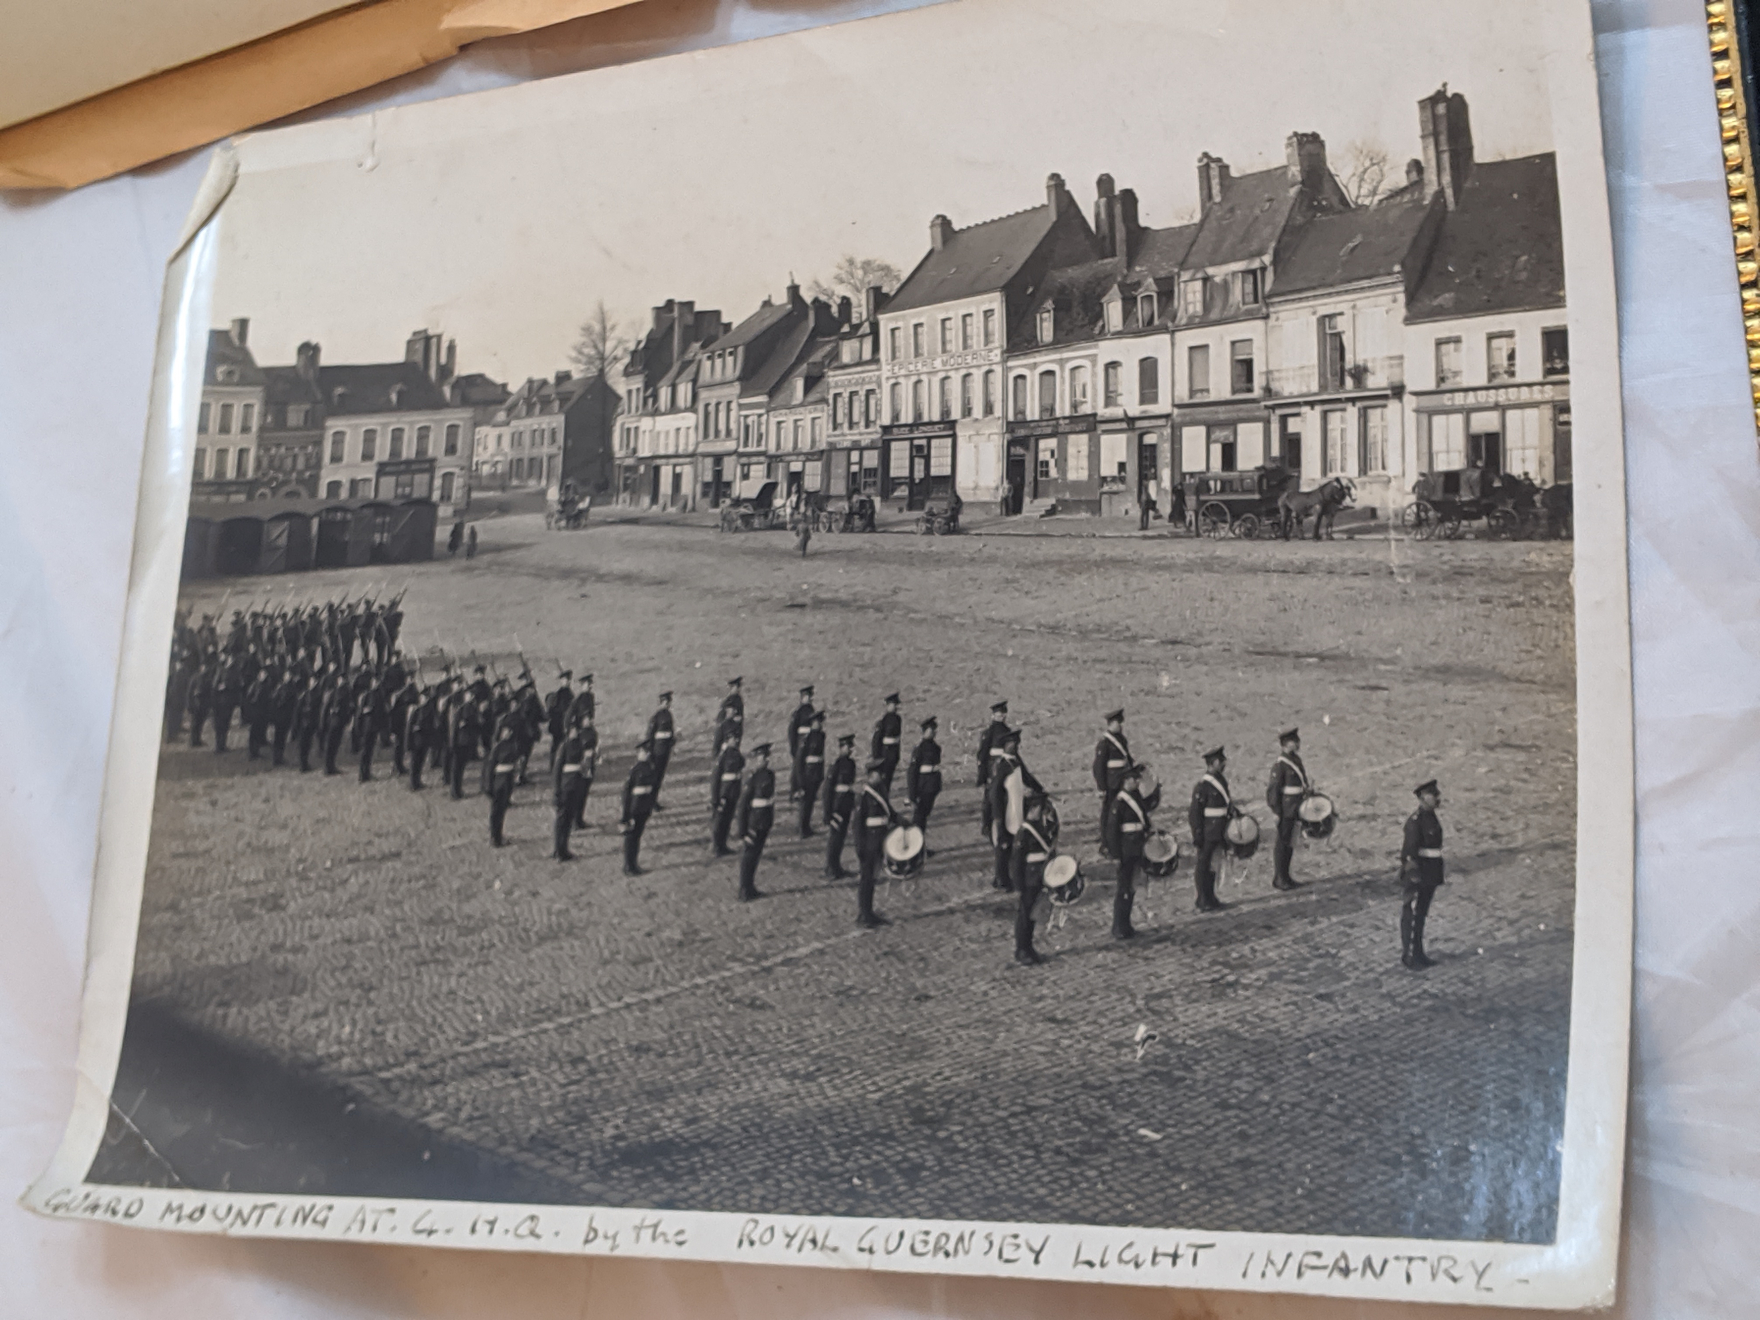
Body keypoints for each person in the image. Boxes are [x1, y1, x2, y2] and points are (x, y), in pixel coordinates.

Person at [1105, 762, 1161, 939]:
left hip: (1137, 847)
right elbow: (1112, 831)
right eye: (1134, 779)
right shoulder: (1119, 802)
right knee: (1124, 888)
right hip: (1126, 850)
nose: (1137, 782)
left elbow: (1146, 810)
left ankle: (1126, 924)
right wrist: (1115, 854)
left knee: (1131, 887)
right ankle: (1119, 926)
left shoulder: (1135, 797)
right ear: (1126, 781)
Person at [1400, 780, 1446, 969]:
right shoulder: (1415, 821)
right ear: (1421, 798)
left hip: (1431, 872)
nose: (1436, 798)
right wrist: (1413, 876)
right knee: (1413, 916)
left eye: (1436, 794)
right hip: (1418, 874)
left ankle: (1419, 953)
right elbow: (1409, 852)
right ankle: (1410, 956)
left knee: (1421, 915)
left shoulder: (1430, 816)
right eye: (1432, 795)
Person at [1010, 796, 1057, 965]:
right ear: (1030, 809)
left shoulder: (1039, 827)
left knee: (1032, 914)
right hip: (1029, 878)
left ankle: (1028, 947)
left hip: (1039, 876)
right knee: (1025, 915)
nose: (1040, 810)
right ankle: (1022, 949)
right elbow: (1016, 861)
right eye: (1038, 807)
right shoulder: (1024, 833)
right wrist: (1018, 884)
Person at [852, 762, 898, 928]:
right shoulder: (864, 796)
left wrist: (901, 821)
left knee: (872, 878)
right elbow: (857, 826)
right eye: (878, 773)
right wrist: (860, 848)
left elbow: (889, 812)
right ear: (871, 776)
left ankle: (868, 911)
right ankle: (864, 914)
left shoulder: (881, 790)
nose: (882, 776)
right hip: (869, 844)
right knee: (866, 879)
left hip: (880, 840)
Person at [1188, 746, 1233, 912]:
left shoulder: (1221, 781)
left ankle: (1211, 896)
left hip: (1220, 830)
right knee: (1203, 865)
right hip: (1208, 832)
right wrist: (1197, 835)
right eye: (1221, 761)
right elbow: (1195, 814)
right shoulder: (1202, 786)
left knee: (1214, 865)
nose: (1224, 764)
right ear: (1213, 763)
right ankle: (1202, 898)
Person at [1265, 727, 1310, 891]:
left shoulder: (1296, 760)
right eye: (1294, 741)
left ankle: (1286, 875)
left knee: (1290, 842)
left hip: (1296, 807)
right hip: (1285, 809)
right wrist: (1276, 811)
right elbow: (1273, 791)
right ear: (1286, 744)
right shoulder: (1280, 765)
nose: (1298, 744)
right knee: (1282, 843)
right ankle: (1279, 877)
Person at [736, 744, 777, 901]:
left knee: (756, 855)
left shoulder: (770, 775)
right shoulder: (752, 779)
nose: (765, 760)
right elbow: (742, 807)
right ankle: (744, 889)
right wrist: (743, 832)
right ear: (756, 760)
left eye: (767, 757)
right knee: (749, 856)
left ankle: (751, 886)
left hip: (764, 821)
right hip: (753, 822)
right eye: (762, 758)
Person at [1092, 708, 1132, 857]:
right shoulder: (1104, 744)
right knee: (1108, 814)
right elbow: (1098, 767)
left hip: (1122, 782)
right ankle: (1106, 844)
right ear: (1111, 723)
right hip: (1111, 784)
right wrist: (1102, 788)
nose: (1120, 725)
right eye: (1118, 723)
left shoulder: (1122, 740)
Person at [551, 715, 592, 861]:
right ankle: (558, 850)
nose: (575, 732)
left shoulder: (580, 744)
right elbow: (557, 771)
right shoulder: (564, 746)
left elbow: (584, 765)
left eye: (577, 729)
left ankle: (564, 848)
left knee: (568, 819)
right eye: (572, 730)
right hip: (565, 787)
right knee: (561, 819)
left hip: (576, 786)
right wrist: (556, 792)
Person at [822, 732, 858, 879]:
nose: (850, 749)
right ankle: (831, 868)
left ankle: (836, 867)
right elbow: (827, 791)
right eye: (847, 746)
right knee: (835, 838)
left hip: (846, 805)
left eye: (851, 746)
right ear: (841, 747)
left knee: (841, 837)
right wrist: (828, 813)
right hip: (837, 805)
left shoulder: (851, 763)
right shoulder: (835, 766)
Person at [620, 740, 658, 875]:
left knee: (637, 837)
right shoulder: (635, 770)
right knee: (631, 838)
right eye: (643, 752)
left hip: (643, 808)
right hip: (634, 809)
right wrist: (626, 816)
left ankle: (633, 863)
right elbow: (626, 795)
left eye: (647, 752)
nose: (645, 755)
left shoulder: (651, 767)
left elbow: (652, 790)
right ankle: (629, 866)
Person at [976, 700, 1009, 838]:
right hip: (992, 767)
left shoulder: (1007, 731)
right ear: (993, 716)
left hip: (1004, 765)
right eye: (997, 714)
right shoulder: (989, 733)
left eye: (1002, 714)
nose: (1000, 716)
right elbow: (982, 754)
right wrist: (982, 774)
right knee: (989, 797)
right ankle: (986, 824)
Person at [484, 721, 520, 846]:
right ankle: (494, 837)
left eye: (509, 732)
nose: (508, 734)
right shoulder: (497, 748)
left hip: (508, 780)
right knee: (496, 810)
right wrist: (488, 786)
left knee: (502, 809)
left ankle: (498, 834)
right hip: (498, 781)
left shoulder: (513, 745)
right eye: (505, 732)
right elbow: (489, 768)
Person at [711, 730, 746, 857]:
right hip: (724, 793)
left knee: (728, 819)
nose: (736, 740)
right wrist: (716, 799)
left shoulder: (736, 753)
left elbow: (742, 764)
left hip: (733, 792)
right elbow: (715, 780)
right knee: (720, 821)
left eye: (737, 738)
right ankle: (716, 846)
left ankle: (723, 845)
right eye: (733, 739)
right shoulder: (723, 756)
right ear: (727, 740)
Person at [906, 716, 942, 832]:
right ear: (924, 732)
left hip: (932, 786)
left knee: (924, 816)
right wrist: (912, 794)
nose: (934, 733)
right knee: (919, 818)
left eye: (934, 730)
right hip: (923, 786)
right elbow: (912, 773)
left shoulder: (936, 747)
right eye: (931, 730)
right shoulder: (919, 749)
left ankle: (921, 846)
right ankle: (916, 846)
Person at [795, 711, 827, 837]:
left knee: (811, 801)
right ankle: (802, 828)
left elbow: (821, 757)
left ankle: (807, 826)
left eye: (820, 722)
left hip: (816, 773)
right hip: (807, 773)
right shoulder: (806, 738)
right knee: (805, 802)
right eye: (817, 722)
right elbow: (799, 761)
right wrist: (800, 780)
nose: (819, 725)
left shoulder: (821, 736)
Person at [645, 691, 676, 809]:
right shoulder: (656, 717)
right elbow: (650, 736)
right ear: (662, 702)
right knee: (654, 777)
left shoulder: (669, 715)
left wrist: (672, 741)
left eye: (669, 702)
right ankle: (650, 801)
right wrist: (650, 752)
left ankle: (654, 800)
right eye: (667, 702)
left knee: (660, 777)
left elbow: (670, 732)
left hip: (665, 751)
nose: (668, 705)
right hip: (657, 752)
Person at [787, 685, 816, 798]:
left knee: (805, 766)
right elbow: (792, 730)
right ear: (802, 698)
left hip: (809, 742)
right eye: (806, 696)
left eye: (809, 696)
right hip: (800, 742)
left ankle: (805, 788)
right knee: (797, 767)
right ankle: (795, 789)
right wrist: (793, 746)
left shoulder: (811, 710)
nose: (808, 698)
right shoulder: (798, 712)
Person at [871, 692, 903, 794]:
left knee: (889, 779)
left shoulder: (898, 719)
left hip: (893, 754)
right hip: (885, 754)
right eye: (894, 705)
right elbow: (876, 741)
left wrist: (897, 755)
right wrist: (877, 758)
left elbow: (897, 739)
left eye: (896, 705)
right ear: (888, 705)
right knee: (883, 780)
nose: (896, 707)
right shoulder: (883, 721)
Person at [545, 670, 575, 771]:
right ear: (561, 681)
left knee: (562, 746)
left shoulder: (569, 694)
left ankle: (558, 765)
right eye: (564, 680)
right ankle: (553, 766)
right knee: (556, 746)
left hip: (563, 724)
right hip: (558, 725)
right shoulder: (559, 694)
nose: (567, 682)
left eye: (568, 680)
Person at [714, 676, 744, 761]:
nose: (738, 689)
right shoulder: (729, 701)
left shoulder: (738, 699)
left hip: (737, 729)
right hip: (728, 731)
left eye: (738, 687)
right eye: (736, 687)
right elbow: (721, 719)